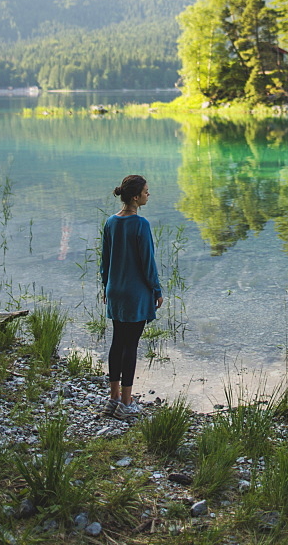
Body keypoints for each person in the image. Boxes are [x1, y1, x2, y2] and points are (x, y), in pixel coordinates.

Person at [100, 174, 163, 418]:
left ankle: (113, 398)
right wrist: (156, 290)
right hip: (135, 293)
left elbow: (104, 260)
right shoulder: (141, 224)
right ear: (135, 197)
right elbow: (148, 263)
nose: (149, 194)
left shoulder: (110, 222)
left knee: (117, 343)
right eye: (146, 191)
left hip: (115, 291)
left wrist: (106, 285)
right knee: (131, 346)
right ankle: (126, 403)